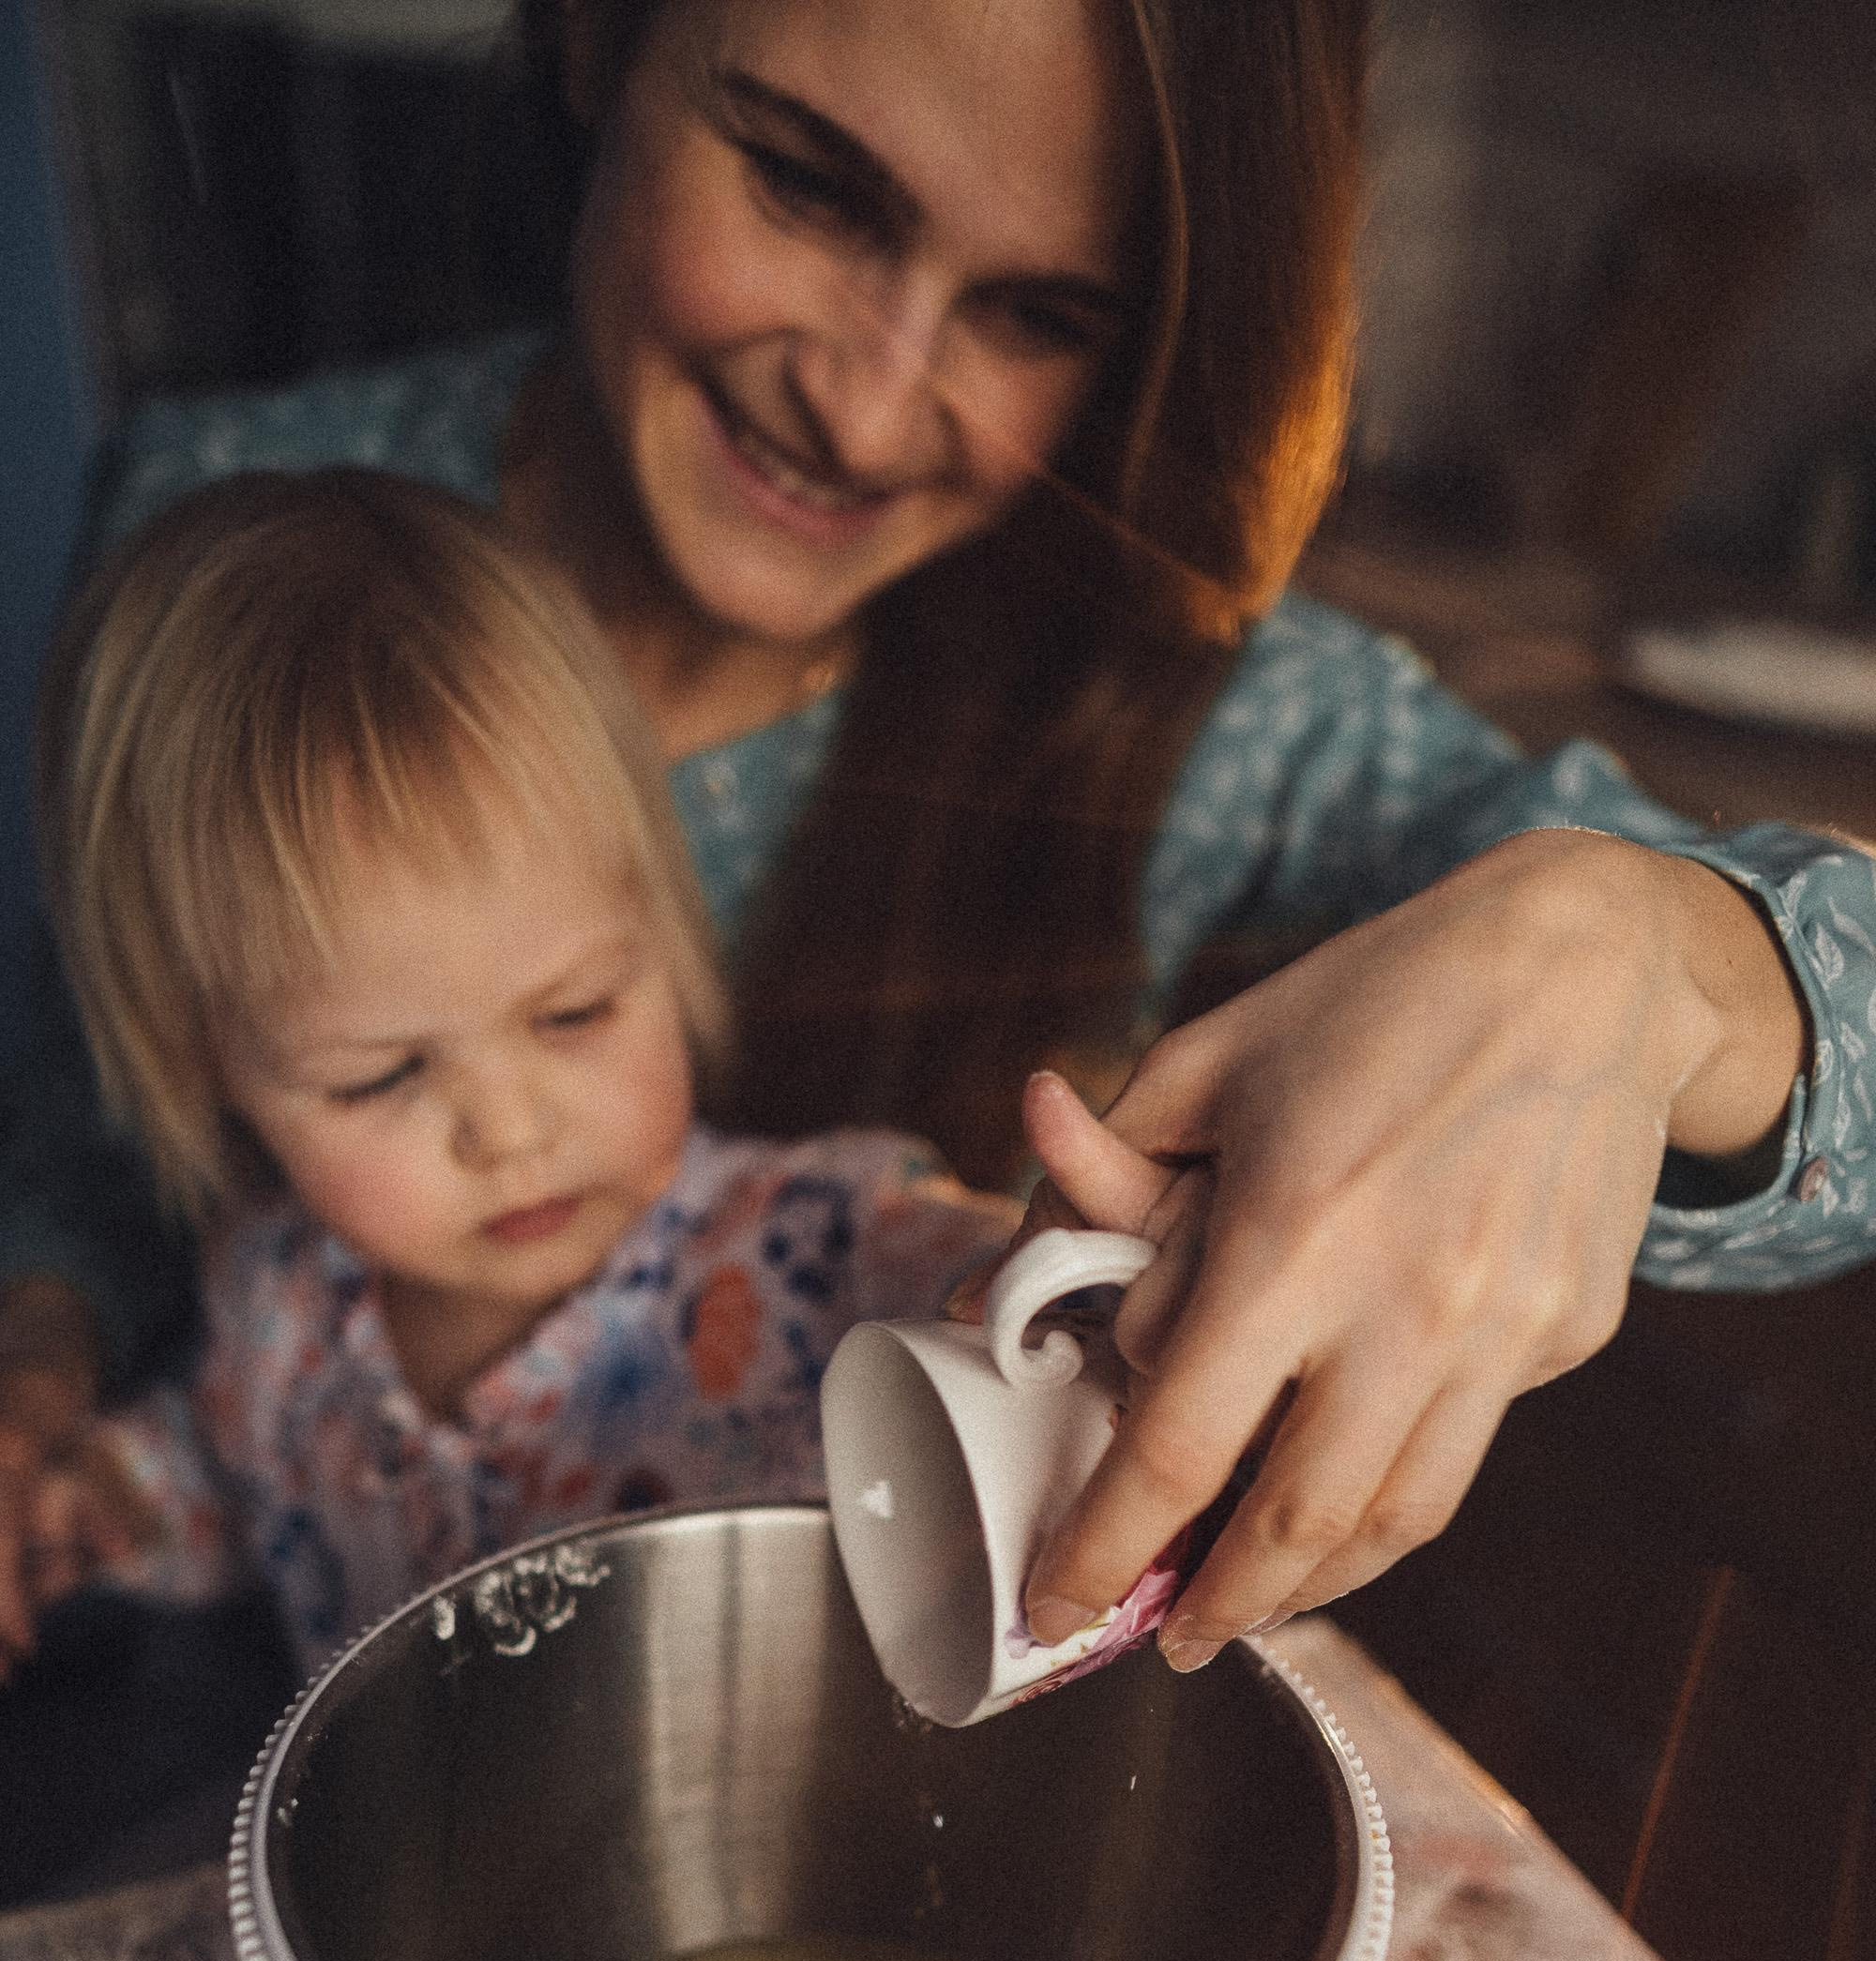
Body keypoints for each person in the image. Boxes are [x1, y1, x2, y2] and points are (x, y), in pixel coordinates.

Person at [4, 0, 1871, 1687]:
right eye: (812, 187)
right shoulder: (200, 524)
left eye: (1043, 310)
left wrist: (1634, 962)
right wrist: (48, 1368)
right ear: (594, 38)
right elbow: (92, 1130)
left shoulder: (1206, 706)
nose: (872, 401)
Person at [26, 467, 1013, 1673]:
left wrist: (1051, 1277)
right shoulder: (273, 1299)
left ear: (665, 931)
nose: (506, 1129)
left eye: (575, 1013)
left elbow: (979, 1273)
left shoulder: (821, 1245)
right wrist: (96, 1510)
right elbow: (236, 1482)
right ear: (211, 1072)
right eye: (378, 1076)